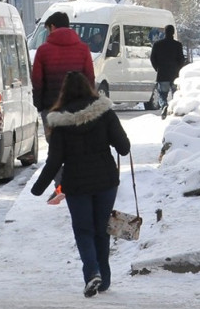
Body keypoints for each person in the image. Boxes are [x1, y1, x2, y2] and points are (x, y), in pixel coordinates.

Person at [30, 71, 130, 297]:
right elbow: (123, 147)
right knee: (101, 229)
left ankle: (92, 272)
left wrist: (38, 188)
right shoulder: (104, 113)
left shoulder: (60, 120)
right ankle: (103, 280)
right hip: (106, 181)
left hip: (76, 185)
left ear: (64, 92)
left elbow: (54, 161)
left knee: (83, 230)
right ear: (89, 88)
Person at [32, 11, 95, 197]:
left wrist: (40, 105)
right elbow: (90, 78)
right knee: (80, 144)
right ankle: (81, 182)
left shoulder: (43, 51)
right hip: (80, 107)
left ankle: (61, 186)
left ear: (52, 27)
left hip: (52, 110)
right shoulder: (83, 49)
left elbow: (37, 81)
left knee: (55, 149)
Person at [150, 24, 185, 116]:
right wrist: (179, 69)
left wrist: (157, 68)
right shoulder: (178, 45)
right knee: (176, 94)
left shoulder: (157, 45)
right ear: (173, 32)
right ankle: (175, 110)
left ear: (164, 32)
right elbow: (181, 59)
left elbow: (152, 58)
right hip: (175, 74)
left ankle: (164, 106)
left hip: (162, 74)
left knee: (162, 94)